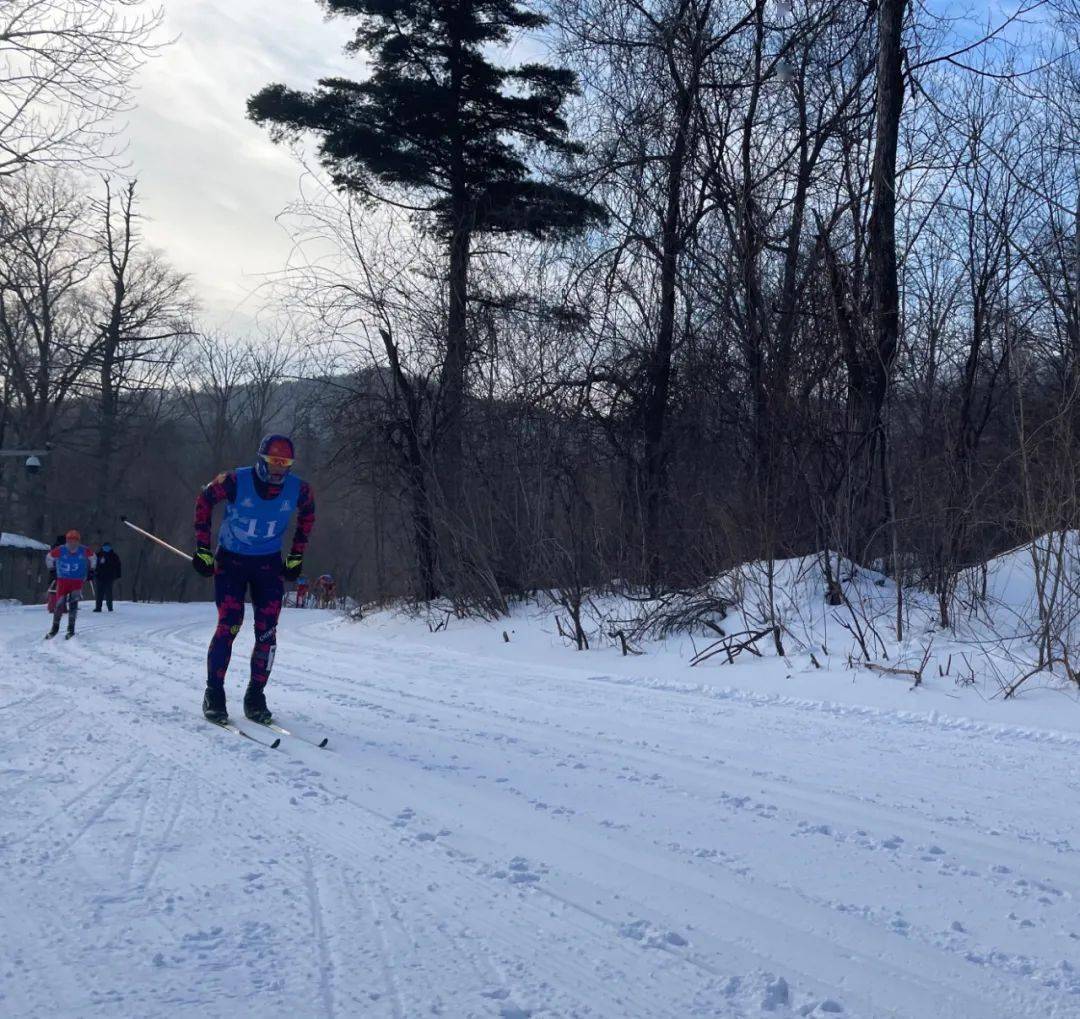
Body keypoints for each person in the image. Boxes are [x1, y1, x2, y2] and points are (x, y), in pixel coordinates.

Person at [192, 433, 315, 725]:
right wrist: (203, 549)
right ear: (262, 459)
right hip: (231, 562)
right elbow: (204, 501)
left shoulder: (300, 490)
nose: (278, 470)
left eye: (284, 463)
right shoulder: (236, 481)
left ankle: (255, 696)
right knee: (230, 623)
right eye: (273, 462)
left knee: (267, 633)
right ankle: (214, 693)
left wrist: (296, 555)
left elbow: (308, 515)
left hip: (268, 564)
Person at [45, 530, 95, 640]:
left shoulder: (84, 550)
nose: (73, 544)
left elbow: (93, 558)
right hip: (63, 580)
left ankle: (71, 629)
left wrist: (91, 571)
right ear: (67, 541)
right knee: (59, 604)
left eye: (75, 541)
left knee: (73, 604)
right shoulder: (61, 550)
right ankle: (55, 628)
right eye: (70, 541)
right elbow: (49, 557)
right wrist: (52, 570)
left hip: (77, 581)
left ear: (78, 541)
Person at [93, 543, 122, 612]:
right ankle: (98, 607)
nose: (106, 548)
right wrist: (93, 573)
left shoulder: (114, 556)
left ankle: (110, 607)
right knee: (99, 593)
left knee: (109, 593)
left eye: (108, 547)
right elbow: (94, 564)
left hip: (110, 577)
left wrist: (118, 575)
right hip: (99, 576)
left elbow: (118, 566)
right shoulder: (98, 555)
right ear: (102, 547)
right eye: (105, 547)